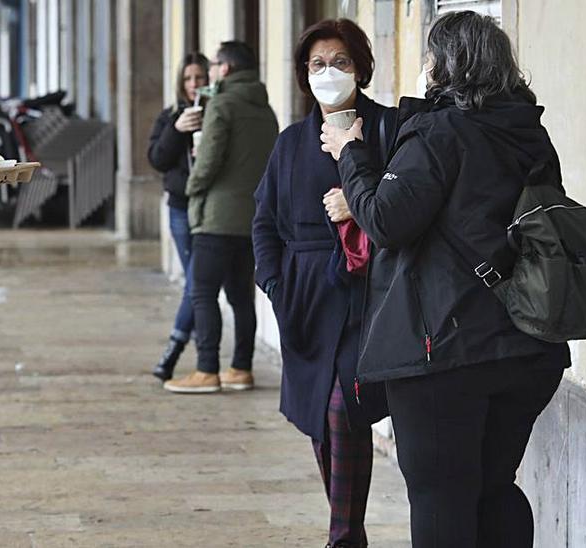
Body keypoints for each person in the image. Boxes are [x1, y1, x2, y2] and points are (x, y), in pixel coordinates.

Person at [320, 11, 569, 548]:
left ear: (447, 66)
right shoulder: (529, 132)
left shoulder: (440, 131)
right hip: (525, 343)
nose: (426, 67)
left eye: (431, 56)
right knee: (494, 487)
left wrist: (350, 153)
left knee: (441, 496)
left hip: (446, 349)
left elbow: (386, 219)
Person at [253, 19, 391, 547]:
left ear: (362, 67)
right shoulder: (290, 143)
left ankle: (342, 536)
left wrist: (356, 204)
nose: (328, 72)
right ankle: (346, 530)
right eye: (317, 64)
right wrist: (274, 282)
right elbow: (263, 219)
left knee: (344, 411)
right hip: (305, 299)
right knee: (320, 419)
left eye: (340, 62)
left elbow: (405, 208)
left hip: (366, 297)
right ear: (303, 74)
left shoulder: (388, 130)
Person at [163, 41, 278, 394]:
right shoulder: (265, 110)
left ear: (225, 69)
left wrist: (193, 187)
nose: (209, 73)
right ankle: (241, 367)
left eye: (213, 66)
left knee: (202, 292)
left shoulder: (223, 106)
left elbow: (208, 161)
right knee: (241, 297)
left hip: (216, 219)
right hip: (251, 218)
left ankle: (206, 369)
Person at [147, 52, 209, 381]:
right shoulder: (169, 116)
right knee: (195, 281)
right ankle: (193, 342)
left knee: (197, 282)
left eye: (199, 78)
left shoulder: (217, 112)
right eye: (188, 79)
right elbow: (156, 158)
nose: (194, 84)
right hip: (180, 208)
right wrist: (176, 129)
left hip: (211, 208)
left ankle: (174, 349)